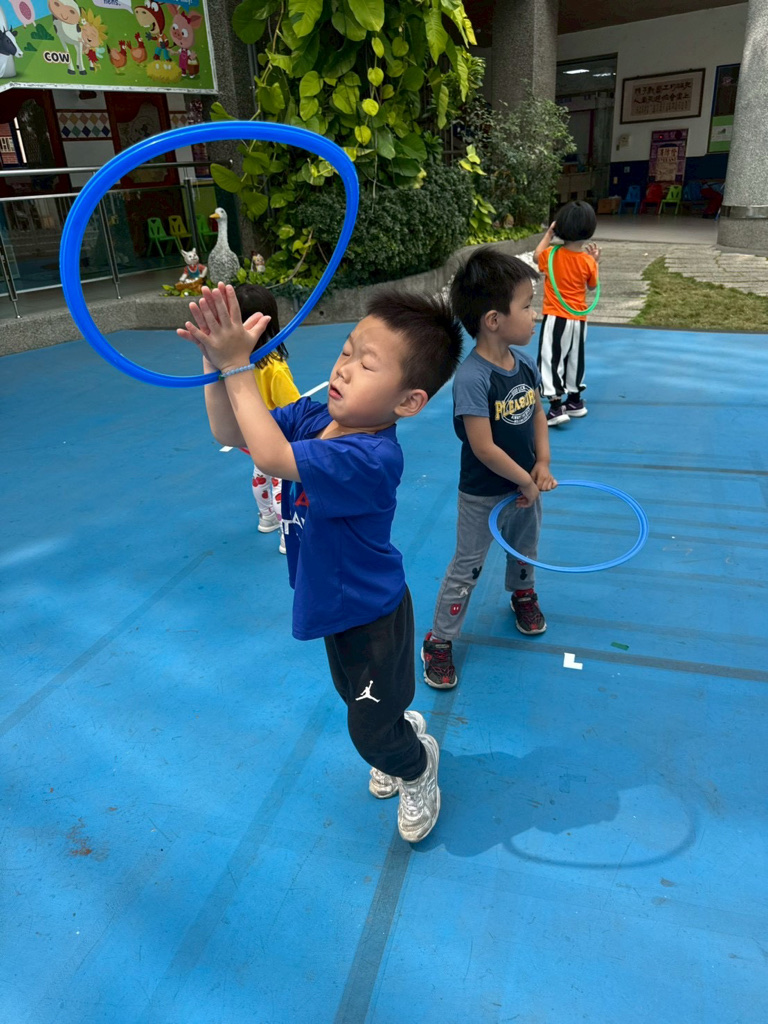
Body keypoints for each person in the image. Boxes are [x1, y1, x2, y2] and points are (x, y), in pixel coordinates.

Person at [179, 282, 464, 843]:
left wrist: (238, 365)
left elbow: (271, 456)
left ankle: (416, 765)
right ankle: (396, 729)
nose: (345, 368)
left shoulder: (371, 456)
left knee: (366, 728)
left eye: (367, 365)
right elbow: (231, 430)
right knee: (357, 700)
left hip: (371, 614)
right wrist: (216, 365)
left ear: (408, 402)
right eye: (347, 350)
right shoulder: (314, 420)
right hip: (330, 602)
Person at [421, 249, 557, 690]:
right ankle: (439, 640)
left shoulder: (525, 364)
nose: (535, 315)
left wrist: (542, 463)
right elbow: (482, 447)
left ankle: (522, 594)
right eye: (527, 306)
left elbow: (537, 414)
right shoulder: (472, 379)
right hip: (484, 494)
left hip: (524, 488)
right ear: (494, 320)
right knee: (468, 566)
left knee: (525, 548)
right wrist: (524, 479)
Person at [229, 284, 300, 555]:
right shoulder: (273, 367)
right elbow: (293, 406)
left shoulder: (234, 364)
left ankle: (266, 517)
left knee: (260, 474)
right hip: (274, 435)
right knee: (282, 481)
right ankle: (286, 533)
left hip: (249, 434)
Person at [533, 201, 601, 426]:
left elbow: (536, 256)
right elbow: (592, 286)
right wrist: (595, 263)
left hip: (556, 317)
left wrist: (548, 235)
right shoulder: (588, 261)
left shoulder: (551, 255)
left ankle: (555, 407)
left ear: (560, 227)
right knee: (574, 358)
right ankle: (575, 401)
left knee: (550, 358)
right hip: (579, 320)